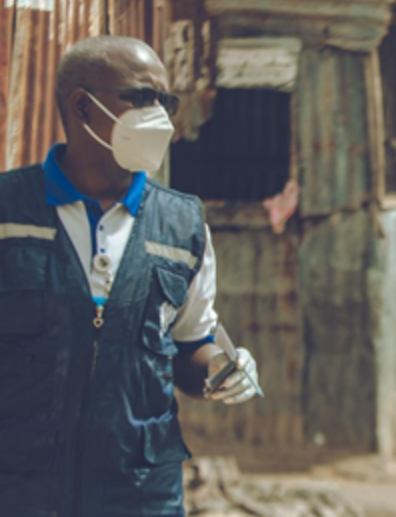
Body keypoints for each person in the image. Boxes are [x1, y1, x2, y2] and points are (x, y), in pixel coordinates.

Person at [0, 36, 260, 517]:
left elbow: (189, 345)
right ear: (82, 106)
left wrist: (221, 370)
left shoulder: (183, 227)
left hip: (140, 492)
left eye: (166, 100)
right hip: (19, 487)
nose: (160, 114)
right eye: (142, 96)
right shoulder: (9, 212)